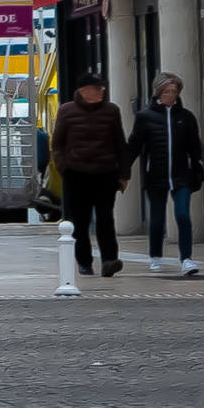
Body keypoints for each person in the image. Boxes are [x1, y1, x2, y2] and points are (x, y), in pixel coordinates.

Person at [127, 73, 203, 275]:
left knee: (183, 215)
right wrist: (123, 170)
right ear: (159, 92)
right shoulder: (145, 117)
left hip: (181, 176)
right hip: (156, 176)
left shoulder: (186, 117)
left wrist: (198, 171)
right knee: (158, 218)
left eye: (175, 92)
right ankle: (155, 256)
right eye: (167, 91)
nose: (171, 95)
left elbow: (195, 147)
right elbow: (134, 145)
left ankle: (186, 258)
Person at [52, 76, 128, 278]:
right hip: (76, 174)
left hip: (105, 173)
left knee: (105, 219)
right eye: (97, 88)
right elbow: (57, 143)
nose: (101, 91)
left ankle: (109, 261)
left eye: (102, 88)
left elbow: (120, 143)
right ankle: (84, 262)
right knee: (80, 221)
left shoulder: (112, 111)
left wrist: (123, 174)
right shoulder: (66, 111)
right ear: (84, 90)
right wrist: (64, 168)